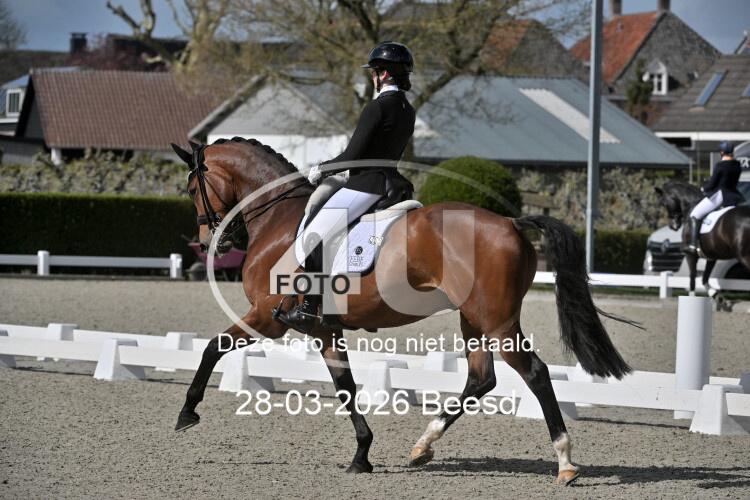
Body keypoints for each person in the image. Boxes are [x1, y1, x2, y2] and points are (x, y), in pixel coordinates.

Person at [276, 41, 417, 334]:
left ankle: (309, 307)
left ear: (383, 74)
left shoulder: (377, 107)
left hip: (366, 185)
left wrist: (321, 169)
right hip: (393, 184)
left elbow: (352, 155)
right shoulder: (408, 109)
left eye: (374, 72)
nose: (372, 77)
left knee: (313, 235)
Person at [685, 141, 744, 252]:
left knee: (695, 214)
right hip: (734, 196)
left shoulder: (720, 165)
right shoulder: (737, 165)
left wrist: (703, 188)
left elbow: (712, 184)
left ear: (721, 152)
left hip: (720, 196)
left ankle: (693, 245)